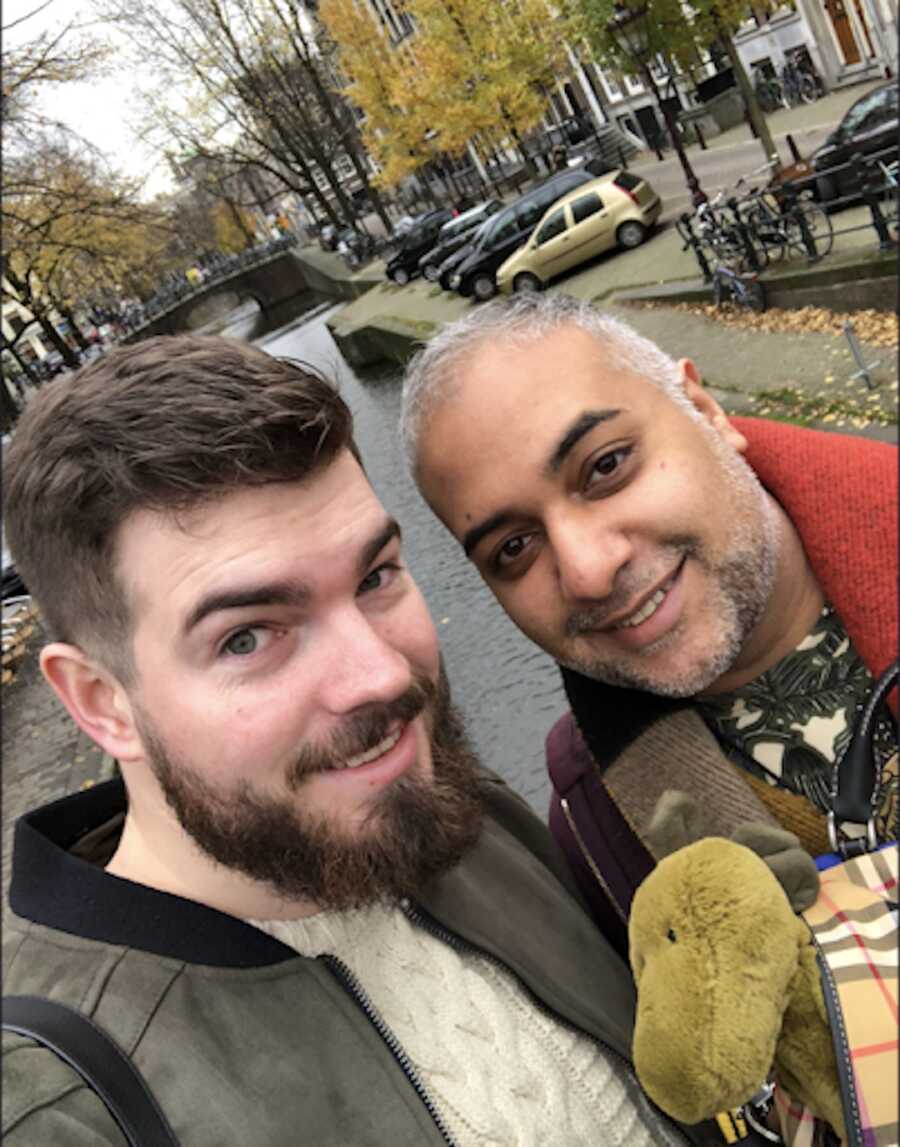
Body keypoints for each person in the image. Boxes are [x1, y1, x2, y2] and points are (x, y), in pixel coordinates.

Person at [2, 335, 702, 1146]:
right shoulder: (61, 1116)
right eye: (248, 636)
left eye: (375, 578)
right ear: (101, 701)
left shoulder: (443, 804)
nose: (380, 677)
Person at [402, 293, 898, 956]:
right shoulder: (598, 829)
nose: (588, 571)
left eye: (606, 465)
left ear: (705, 410)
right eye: (514, 549)